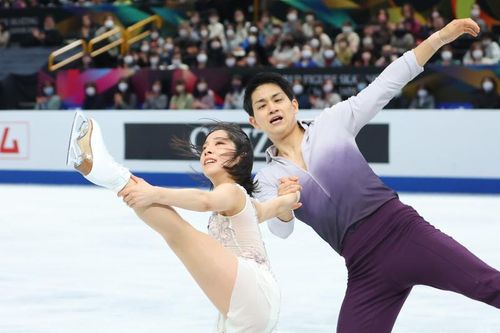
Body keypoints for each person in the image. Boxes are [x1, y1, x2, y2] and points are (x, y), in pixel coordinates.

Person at [243, 18, 499, 332]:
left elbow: (386, 84)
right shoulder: (268, 179)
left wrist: (440, 38)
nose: (272, 108)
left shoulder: (333, 123)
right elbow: (281, 232)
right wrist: (283, 207)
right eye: (261, 106)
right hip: (364, 267)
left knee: (489, 285)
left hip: (405, 233)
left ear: (294, 105)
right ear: (254, 121)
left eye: (277, 99)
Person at [66, 113, 301, 332]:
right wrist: (290, 196)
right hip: (250, 300)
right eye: (206, 146)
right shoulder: (248, 205)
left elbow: (205, 200)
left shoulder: (233, 192)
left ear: (240, 157)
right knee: (177, 234)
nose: (208, 150)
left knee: (179, 234)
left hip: (251, 289)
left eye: (219, 144)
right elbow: (276, 206)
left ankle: (109, 174)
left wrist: (155, 193)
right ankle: (108, 175)